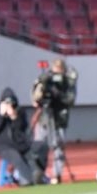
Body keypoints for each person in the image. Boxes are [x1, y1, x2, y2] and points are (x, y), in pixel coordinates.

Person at [31, 56, 78, 184]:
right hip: (44, 117)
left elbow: (70, 100)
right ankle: (38, 173)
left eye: (59, 71)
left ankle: (56, 175)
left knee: (58, 146)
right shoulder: (45, 79)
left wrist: (58, 94)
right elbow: (35, 98)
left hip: (59, 118)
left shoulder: (67, 82)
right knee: (40, 146)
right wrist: (42, 87)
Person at [0, 88, 38, 186]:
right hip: (3, 146)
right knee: (16, 157)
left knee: (38, 149)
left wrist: (14, 117)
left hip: (19, 143)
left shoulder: (20, 112)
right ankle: (27, 179)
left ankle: (37, 174)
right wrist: (1, 115)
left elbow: (22, 129)